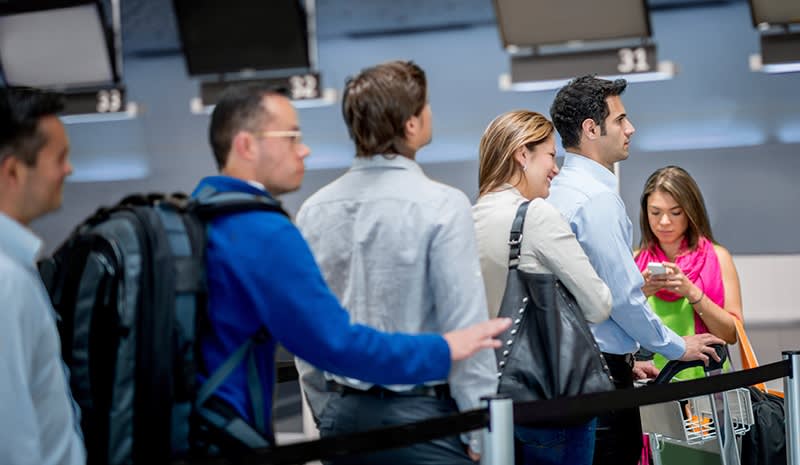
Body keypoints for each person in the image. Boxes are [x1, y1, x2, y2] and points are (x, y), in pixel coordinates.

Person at [191, 83, 511, 454]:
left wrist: (328, 417)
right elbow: (334, 343)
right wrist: (444, 349)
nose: (304, 149)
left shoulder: (197, 218)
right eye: (292, 137)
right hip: (226, 436)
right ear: (246, 145)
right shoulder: (261, 230)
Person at [294, 60, 496, 465]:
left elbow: (309, 333)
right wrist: (481, 431)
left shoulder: (313, 211)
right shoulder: (442, 205)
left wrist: (327, 412)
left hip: (344, 418)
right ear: (410, 125)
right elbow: (466, 329)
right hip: (426, 422)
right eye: (426, 107)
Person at [546, 75, 725, 465]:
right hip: (600, 382)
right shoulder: (596, 200)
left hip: (568, 374)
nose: (631, 128)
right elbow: (621, 299)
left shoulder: (557, 191)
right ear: (592, 129)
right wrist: (679, 346)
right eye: (621, 119)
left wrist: (629, 357)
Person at [472, 110, 612, 465]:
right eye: (550, 155)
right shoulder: (536, 215)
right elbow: (598, 305)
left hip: (487, 400)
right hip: (550, 397)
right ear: (522, 154)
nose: (555, 168)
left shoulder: (466, 218)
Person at [0, 87, 86, 465]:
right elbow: (13, 441)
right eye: (60, 158)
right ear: (14, 171)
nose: (68, 170)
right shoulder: (6, 283)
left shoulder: (17, 267)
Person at [635, 165, 743, 380]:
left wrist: (691, 292)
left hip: (706, 378)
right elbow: (618, 327)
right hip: (651, 379)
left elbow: (731, 334)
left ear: (691, 212)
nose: (664, 222)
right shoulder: (634, 261)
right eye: (655, 212)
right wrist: (641, 293)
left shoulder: (718, 257)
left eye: (675, 212)